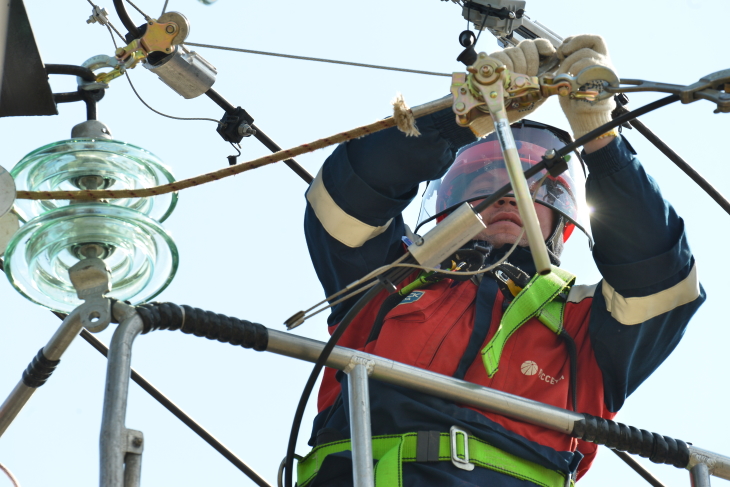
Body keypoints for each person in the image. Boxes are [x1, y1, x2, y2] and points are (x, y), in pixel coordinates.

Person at [300, 35, 705, 486]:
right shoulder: (396, 277)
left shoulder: (586, 326)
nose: (511, 191)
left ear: (564, 219)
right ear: (448, 201)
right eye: (483, 179)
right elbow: (346, 199)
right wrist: (460, 117)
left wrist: (602, 139)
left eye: (538, 185)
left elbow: (659, 277)